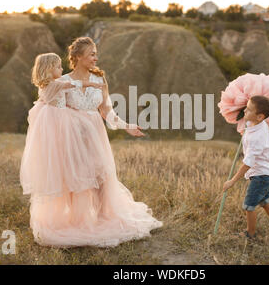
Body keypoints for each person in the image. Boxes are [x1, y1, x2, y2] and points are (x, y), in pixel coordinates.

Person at [20, 44, 162, 248]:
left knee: (103, 175)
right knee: (79, 180)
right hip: (73, 138)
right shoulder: (63, 80)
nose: (96, 58)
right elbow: (53, 109)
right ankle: (82, 221)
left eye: (96, 54)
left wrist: (126, 126)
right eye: (91, 54)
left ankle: (104, 217)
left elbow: (106, 111)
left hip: (96, 133)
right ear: (77, 57)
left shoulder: (99, 79)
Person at [222, 95, 269, 238]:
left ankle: (250, 233)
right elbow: (248, 124)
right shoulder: (256, 124)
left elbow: (248, 163)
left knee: (249, 206)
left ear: (260, 116)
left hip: (261, 176)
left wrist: (232, 181)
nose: (244, 111)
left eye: (248, 110)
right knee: (264, 201)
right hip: (264, 174)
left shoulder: (257, 137)